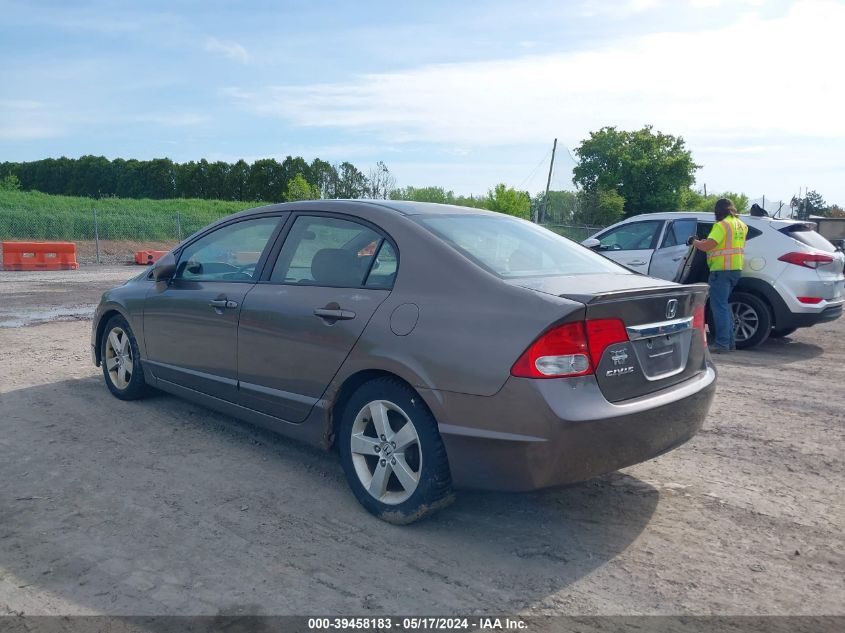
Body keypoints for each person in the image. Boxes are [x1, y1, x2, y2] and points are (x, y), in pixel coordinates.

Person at [691, 198, 748, 353]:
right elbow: (722, 244)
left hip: (721, 270)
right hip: (735, 269)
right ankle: (729, 343)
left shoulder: (721, 225)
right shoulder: (741, 225)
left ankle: (722, 344)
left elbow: (709, 246)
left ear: (718, 211)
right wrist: (705, 241)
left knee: (719, 307)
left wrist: (694, 242)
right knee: (724, 306)